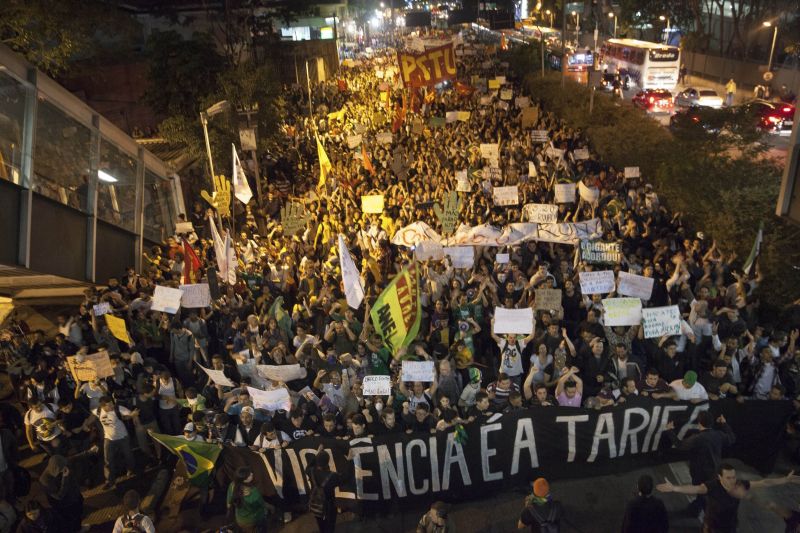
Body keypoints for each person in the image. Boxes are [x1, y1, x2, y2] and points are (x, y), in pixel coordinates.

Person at [656, 463, 800, 532]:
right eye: (728, 477)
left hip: (730, 526)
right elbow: (695, 488)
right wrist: (675, 488)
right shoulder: (712, 486)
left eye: (734, 476)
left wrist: (784, 480)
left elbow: (764, 482)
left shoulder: (739, 485)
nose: (732, 480)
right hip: (712, 526)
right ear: (720, 477)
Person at [665, 411, 736, 516]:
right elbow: (732, 438)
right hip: (715, 472)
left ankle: (702, 513)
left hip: (700, 473)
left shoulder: (697, 438)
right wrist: (724, 424)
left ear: (699, 423)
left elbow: (680, 445)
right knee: (707, 494)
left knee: (702, 494)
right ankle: (697, 508)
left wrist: (669, 430)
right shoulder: (718, 435)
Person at [94, 395, 137, 489]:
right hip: (108, 439)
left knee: (128, 455)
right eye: (109, 405)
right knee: (108, 460)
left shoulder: (118, 408)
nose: (112, 406)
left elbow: (129, 414)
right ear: (103, 406)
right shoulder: (97, 411)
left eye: (112, 403)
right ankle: (110, 480)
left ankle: (131, 469)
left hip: (123, 437)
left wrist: (133, 415)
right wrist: (85, 424)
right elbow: (90, 416)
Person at [38, 455, 84, 532]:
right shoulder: (45, 480)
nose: (65, 468)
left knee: (78, 515)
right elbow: (59, 496)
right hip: (65, 505)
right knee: (70, 521)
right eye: (62, 467)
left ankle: (78, 527)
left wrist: (89, 452)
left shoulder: (61, 466)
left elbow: (73, 458)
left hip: (74, 497)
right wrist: (65, 478)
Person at [307, 448, 344, 533]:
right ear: (328, 462)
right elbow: (345, 477)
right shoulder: (333, 476)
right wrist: (349, 460)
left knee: (320, 523)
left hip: (316, 505)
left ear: (317, 461)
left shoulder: (310, 471)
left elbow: (308, 466)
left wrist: (317, 453)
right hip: (329, 506)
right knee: (330, 525)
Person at [226, 467, 268, 533]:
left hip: (240, 520)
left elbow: (228, 504)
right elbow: (262, 504)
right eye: (249, 475)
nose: (252, 474)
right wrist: (270, 508)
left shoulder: (232, 485)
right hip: (253, 521)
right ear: (244, 480)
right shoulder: (254, 492)